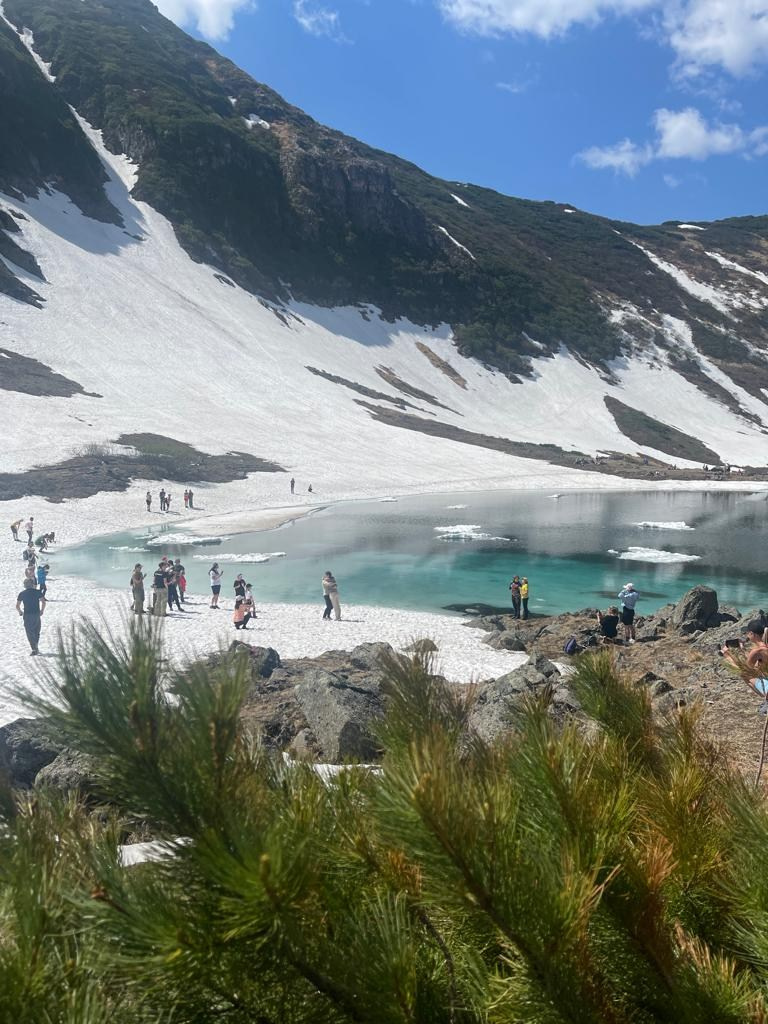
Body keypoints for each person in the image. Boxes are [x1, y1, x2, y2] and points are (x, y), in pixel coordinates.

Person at [722, 619, 768, 704]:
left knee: (745, 676)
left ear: (752, 634)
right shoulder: (764, 648)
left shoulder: (758, 651)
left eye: (747, 633)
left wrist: (728, 656)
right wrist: (743, 650)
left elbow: (744, 671)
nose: (747, 635)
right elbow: (758, 661)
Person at [16, 577, 45, 655]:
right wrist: (42, 610)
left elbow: (17, 606)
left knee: (29, 631)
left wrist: (20, 612)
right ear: (32, 585)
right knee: (36, 631)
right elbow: (43, 602)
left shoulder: (22, 593)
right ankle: (35, 647)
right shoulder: (37, 592)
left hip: (27, 615)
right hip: (36, 614)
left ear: (25, 586)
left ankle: (34, 648)